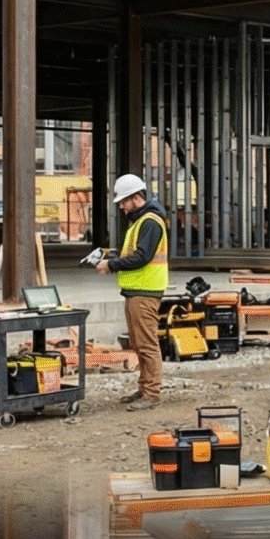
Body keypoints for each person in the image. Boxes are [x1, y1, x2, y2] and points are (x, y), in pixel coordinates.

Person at [95, 173, 169, 408]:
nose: (122, 207)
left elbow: (142, 257)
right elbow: (135, 254)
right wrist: (114, 259)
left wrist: (112, 265)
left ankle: (151, 392)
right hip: (137, 290)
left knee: (146, 344)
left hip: (145, 290)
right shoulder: (141, 221)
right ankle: (145, 387)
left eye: (124, 201)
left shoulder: (149, 222)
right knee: (138, 343)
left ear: (136, 197)